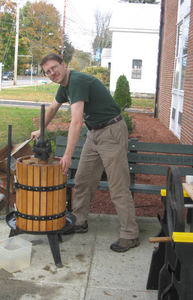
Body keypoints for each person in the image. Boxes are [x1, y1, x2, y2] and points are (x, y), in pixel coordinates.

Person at [31, 53, 139, 252]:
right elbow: (53, 109)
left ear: (64, 65)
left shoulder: (77, 82)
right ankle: (79, 222)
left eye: (54, 67)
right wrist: (41, 130)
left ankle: (130, 234)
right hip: (94, 134)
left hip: (111, 132)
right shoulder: (64, 87)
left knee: (118, 186)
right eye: (48, 72)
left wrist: (67, 155)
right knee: (83, 180)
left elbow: (76, 121)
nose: (52, 73)